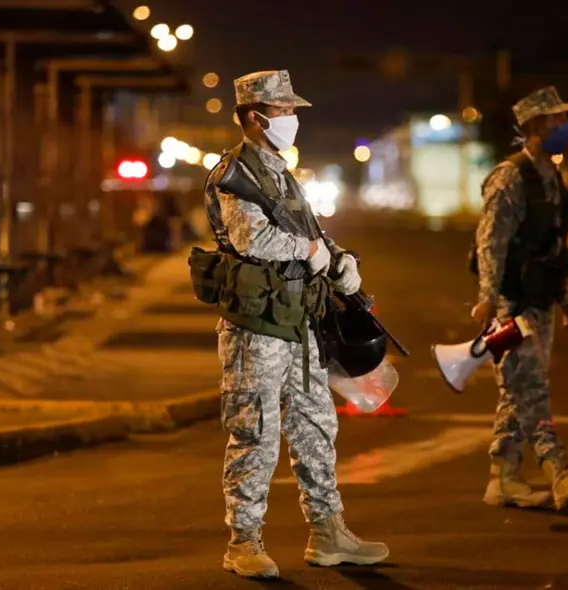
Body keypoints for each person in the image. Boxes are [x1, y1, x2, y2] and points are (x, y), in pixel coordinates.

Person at [200, 70, 389, 579]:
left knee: (315, 425)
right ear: (255, 117)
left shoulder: (279, 173)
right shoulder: (233, 173)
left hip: (299, 319)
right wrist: (310, 252)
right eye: (284, 112)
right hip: (255, 325)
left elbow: (310, 231)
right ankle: (244, 542)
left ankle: (328, 534)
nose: (292, 119)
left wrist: (338, 257)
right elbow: (252, 241)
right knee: (255, 432)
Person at [470, 86, 568, 511]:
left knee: (518, 390)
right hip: (511, 304)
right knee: (531, 390)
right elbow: (491, 240)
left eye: (564, 120)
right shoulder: (510, 177)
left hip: (540, 301)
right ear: (532, 128)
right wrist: (487, 297)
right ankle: (559, 472)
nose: (564, 128)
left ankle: (504, 478)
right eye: (554, 121)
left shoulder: (553, 177)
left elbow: (552, 247)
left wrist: (564, 298)